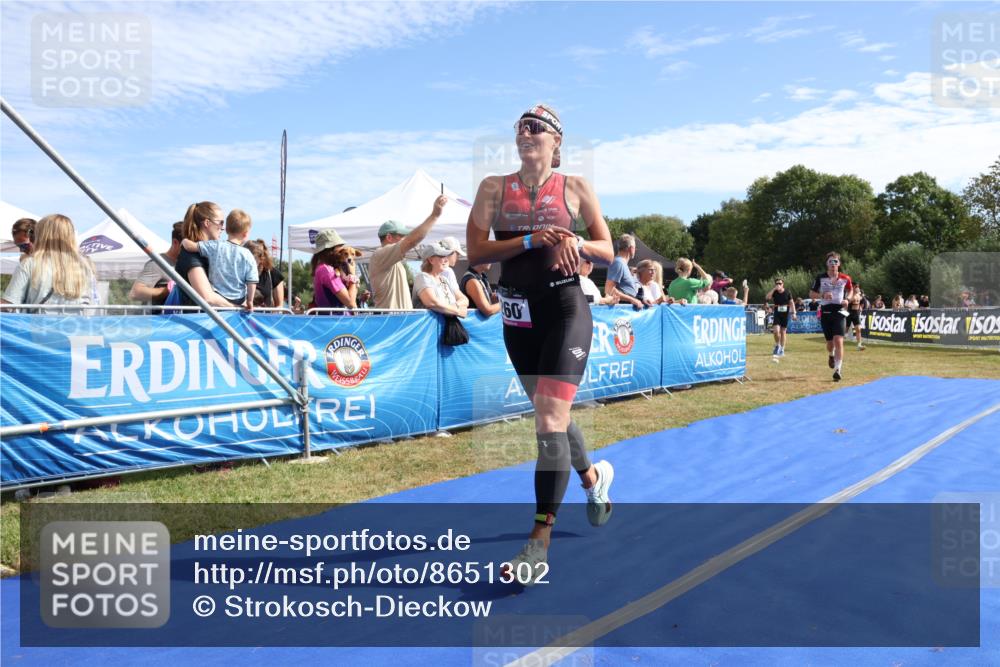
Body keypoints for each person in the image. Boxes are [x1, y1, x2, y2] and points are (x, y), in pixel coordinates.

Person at [466, 103, 615, 586]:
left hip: (566, 309)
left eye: (537, 128)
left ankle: (538, 542)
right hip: (518, 315)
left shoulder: (575, 187)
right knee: (553, 418)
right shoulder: (494, 188)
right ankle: (593, 481)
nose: (527, 132)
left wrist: (576, 242)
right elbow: (477, 253)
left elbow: (607, 250)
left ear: (556, 141)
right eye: (521, 127)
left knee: (549, 419)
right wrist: (531, 239)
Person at [2, 214, 98, 311]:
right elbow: (94, 305)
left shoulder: (29, 264)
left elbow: (8, 306)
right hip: (77, 325)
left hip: (37, 325)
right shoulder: (86, 265)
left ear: (42, 235)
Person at [368, 196, 448, 310]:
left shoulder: (391, 260)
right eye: (402, 236)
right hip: (391, 322)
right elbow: (411, 241)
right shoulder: (379, 255)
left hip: (398, 321)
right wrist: (434, 215)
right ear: (389, 237)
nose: (404, 239)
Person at [180, 209, 258, 308]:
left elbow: (191, 246)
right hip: (239, 298)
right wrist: (250, 300)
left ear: (226, 229)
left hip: (218, 295)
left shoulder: (215, 246)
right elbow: (252, 280)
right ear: (245, 234)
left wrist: (184, 241)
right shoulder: (248, 254)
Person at [175, 202, 239, 309]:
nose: (223, 228)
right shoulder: (190, 254)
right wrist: (238, 307)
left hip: (209, 321)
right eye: (221, 223)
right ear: (207, 223)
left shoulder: (209, 252)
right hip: (197, 322)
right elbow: (207, 296)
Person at [809, 251, 853, 382]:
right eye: (830, 262)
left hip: (840, 311)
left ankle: (838, 370)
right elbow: (811, 293)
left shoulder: (846, 278)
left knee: (839, 340)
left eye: (835, 262)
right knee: (830, 343)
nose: (833, 264)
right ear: (827, 264)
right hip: (826, 312)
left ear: (839, 264)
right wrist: (822, 296)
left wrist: (848, 299)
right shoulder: (820, 278)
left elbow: (850, 290)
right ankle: (831, 355)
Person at [129, 222, 183, 310]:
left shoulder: (186, 264)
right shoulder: (157, 263)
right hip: (156, 322)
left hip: (178, 320)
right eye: (186, 245)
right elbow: (135, 293)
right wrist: (167, 291)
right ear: (175, 242)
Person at [412, 243, 468, 317]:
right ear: (431, 260)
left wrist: (453, 306)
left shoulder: (444, 279)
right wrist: (457, 311)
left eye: (446, 256)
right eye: (442, 256)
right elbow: (432, 303)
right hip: (430, 328)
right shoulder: (422, 277)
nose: (446, 260)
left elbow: (465, 300)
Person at [311, 229, 359, 310]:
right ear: (330, 250)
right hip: (336, 319)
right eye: (339, 246)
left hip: (330, 318)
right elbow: (351, 304)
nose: (342, 249)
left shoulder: (321, 268)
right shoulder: (327, 270)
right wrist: (352, 275)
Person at [604, 234, 644, 309]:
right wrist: (632, 300)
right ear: (631, 248)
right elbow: (609, 290)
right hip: (623, 310)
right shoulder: (618, 263)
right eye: (635, 248)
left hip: (628, 309)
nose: (635, 251)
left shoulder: (621, 263)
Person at [245, 239, 285, 309]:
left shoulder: (273, 273)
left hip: (265, 318)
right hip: (242, 317)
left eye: (251, 258)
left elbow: (279, 306)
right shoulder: (239, 271)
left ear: (261, 259)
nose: (246, 261)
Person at [765, 277, 797, 356]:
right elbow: (767, 297)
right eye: (777, 283)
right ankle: (777, 345)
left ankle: (782, 349)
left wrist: (794, 313)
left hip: (785, 313)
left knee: (783, 332)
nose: (778, 285)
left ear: (783, 284)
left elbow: (792, 303)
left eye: (780, 283)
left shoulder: (787, 292)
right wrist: (773, 289)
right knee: (776, 331)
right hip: (777, 313)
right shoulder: (775, 292)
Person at [847, 284, 865, 350]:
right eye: (856, 287)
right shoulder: (850, 295)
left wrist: (860, 307)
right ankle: (837, 344)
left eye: (858, 287)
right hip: (849, 313)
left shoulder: (859, 295)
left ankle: (859, 345)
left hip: (856, 313)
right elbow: (846, 304)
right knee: (845, 330)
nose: (858, 288)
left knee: (858, 329)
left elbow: (862, 301)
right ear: (853, 288)